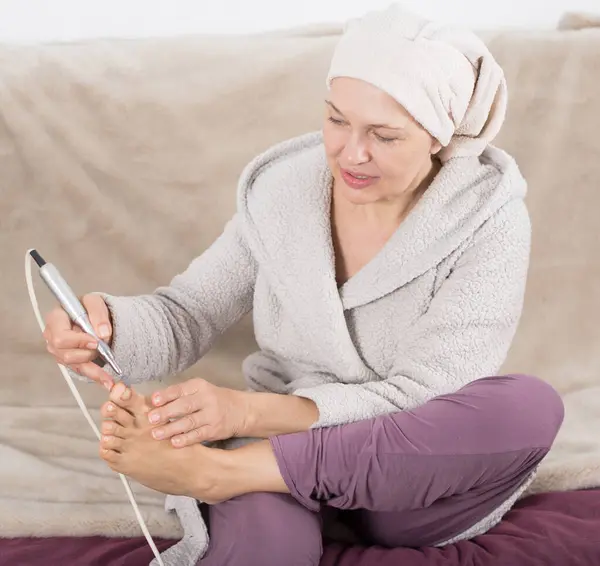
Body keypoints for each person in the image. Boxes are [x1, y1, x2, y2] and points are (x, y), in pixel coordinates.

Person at [43, 4, 564, 566]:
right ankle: (239, 476)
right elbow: (188, 311)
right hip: (274, 446)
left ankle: (222, 475)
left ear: (440, 137)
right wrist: (107, 325)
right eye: (337, 119)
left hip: (405, 487)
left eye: (384, 136)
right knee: (270, 550)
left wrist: (241, 418)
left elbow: (420, 404)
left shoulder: (487, 218)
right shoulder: (284, 190)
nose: (350, 153)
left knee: (530, 406)